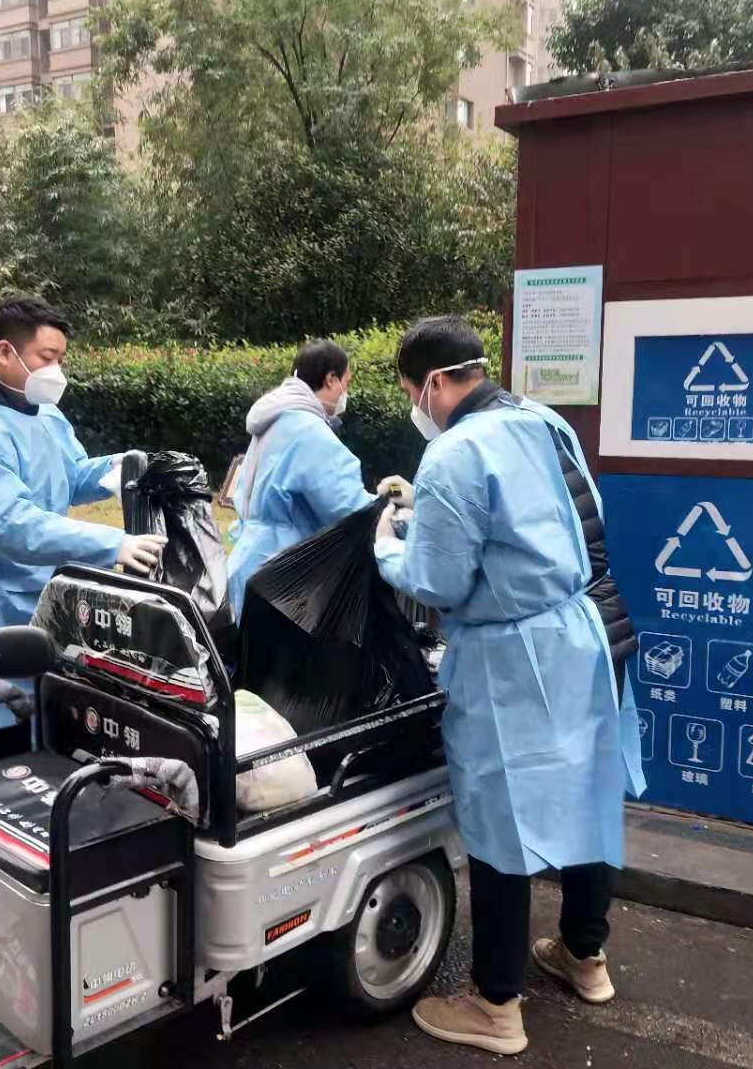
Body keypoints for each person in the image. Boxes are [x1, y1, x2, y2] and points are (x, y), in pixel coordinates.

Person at [374, 317, 645, 1057]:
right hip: (592, 630)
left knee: (501, 820)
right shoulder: (543, 419)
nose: (415, 405)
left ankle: (495, 1005)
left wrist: (387, 548)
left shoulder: (455, 451)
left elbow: (438, 582)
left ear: (431, 382)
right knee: (591, 791)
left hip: (516, 655)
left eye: (410, 390)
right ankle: (584, 956)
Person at [0, 296, 166, 741]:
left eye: (61, 359)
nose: (56, 371)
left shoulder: (37, 408)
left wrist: (118, 470)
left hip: (37, 590)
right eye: (47, 357)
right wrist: (112, 544)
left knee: (35, 713)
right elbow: (12, 525)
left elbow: (68, 475)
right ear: (5, 352)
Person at [227, 339, 374, 620]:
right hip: (285, 574)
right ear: (331, 379)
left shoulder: (275, 420)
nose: (346, 392)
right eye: (346, 382)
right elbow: (347, 508)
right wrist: (389, 510)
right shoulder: (309, 430)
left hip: (249, 559)